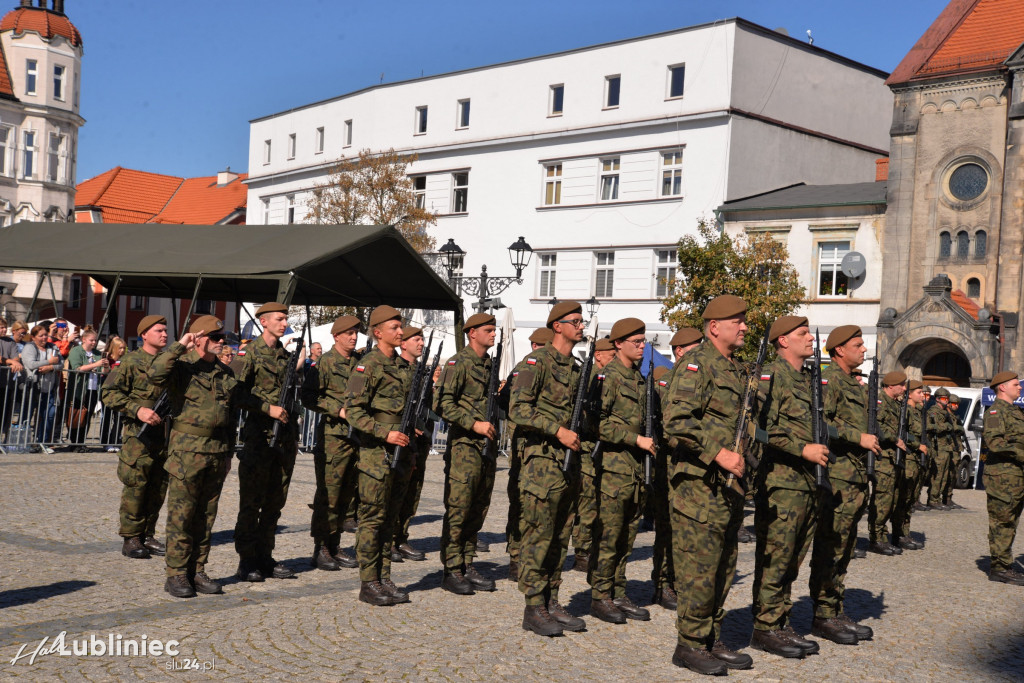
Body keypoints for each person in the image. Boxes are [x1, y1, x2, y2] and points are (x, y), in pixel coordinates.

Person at [149, 315, 288, 598]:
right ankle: (176, 574)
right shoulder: (182, 368)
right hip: (187, 452)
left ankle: (197, 570)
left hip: (215, 452)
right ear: (198, 338)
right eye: (213, 337)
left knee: (206, 517)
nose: (220, 341)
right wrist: (180, 346)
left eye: (221, 337)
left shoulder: (224, 373)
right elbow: (154, 374)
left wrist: (266, 409)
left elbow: (237, 405)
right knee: (181, 516)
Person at [662, 295, 752, 675]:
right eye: (738, 321)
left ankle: (711, 636)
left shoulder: (736, 369)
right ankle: (690, 644)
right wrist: (718, 454)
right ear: (715, 327)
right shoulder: (696, 365)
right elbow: (676, 422)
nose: (745, 326)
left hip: (728, 487)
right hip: (699, 485)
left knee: (723, 565)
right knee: (699, 567)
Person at [749, 316, 828, 658]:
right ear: (783, 341)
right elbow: (757, 429)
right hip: (781, 483)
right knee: (776, 558)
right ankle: (764, 627)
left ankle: (780, 621)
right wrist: (801, 448)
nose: (810, 339)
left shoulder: (808, 379)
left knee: (793, 559)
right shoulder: (769, 376)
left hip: (808, 483)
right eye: (802, 334)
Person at [509, 301, 587, 637]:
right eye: (575, 321)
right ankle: (533, 606)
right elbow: (517, 409)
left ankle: (552, 600)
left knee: (560, 535)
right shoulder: (536, 361)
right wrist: (557, 430)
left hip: (569, 463)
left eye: (582, 321)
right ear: (557, 325)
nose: (581, 325)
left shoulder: (576, 367)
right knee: (538, 534)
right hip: (542, 462)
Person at [808, 325, 880, 646]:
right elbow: (819, 422)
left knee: (846, 546)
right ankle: (823, 614)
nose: (863, 350)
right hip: (837, 477)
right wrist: (857, 437)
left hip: (855, 478)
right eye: (858, 345)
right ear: (839, 350)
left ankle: (835, 607)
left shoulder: (854, 383)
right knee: (831, 545)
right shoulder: (829, 380)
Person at [588, 317, 657, 624]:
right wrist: (635, 438)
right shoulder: (608, 377)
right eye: (636, 342)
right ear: (618, 344)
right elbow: (597, 424)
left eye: (644, 341)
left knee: (627, 535)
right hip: (614, 469)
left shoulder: (640, 378)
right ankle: (600, 595)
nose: (642, 346)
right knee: (609, 534)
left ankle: (618, 590)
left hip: (636, 471)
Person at [344, 305, 413, 606]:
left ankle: (384, 577)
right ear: (378, 332)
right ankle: (368, 582)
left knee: (390, 518)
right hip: (376, 454)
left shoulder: (403, 366)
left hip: (402, 452)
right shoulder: (367, 365)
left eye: (401, 327)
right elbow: (353, 411)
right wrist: (383, 433)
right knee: (371, 519)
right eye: (395, 327)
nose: (401, 332)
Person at [234, 302, 303, 582]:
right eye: (279, 318)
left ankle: (265, 556)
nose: (284, 322)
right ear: (263, 321)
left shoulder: (286, 357)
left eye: (286, 318)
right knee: (252, 503)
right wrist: (266, 408)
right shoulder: (248, 353)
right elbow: (235, 393)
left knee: (274, 504)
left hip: (284, 442)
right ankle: (246, 560)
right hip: (259, 439)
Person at [435, 313, 499, 594]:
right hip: (464, 446)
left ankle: (467, 561)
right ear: (472, 333)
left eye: (494, 329)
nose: (493, 334)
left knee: (478, 507)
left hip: (487, 447)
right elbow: (442, 403)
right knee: (459, 508)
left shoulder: (488, 364)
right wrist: (473, 424)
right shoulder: (458, 362)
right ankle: (451, 568)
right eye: (488, 330)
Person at [101, 316, 171, 559]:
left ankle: (148, 534)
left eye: (165, 330)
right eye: (159, 331)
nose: (164, 334)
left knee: (158, 487)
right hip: (138, 438)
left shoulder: (170, 363)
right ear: (144, 335)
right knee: (136, 486)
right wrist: (137, 410)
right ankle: (131, 537)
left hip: (164, 436)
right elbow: (108, 393)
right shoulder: (130, 362)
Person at [302, 315, 361, 571]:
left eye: (356, 332)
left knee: (347, 495)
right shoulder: (324, 363)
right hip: (332, 438)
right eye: (348, 333)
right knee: (329, 495)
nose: (354, 336)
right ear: (336, 336)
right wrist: (337, 410)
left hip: (355, 437)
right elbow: (309, 397)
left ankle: (335, 544)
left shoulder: (359, 363)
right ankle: (321, 547)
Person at [650, 327, 702, 610]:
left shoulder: (699, 379)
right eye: (695, 348)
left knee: (686, 530)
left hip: (689, 466)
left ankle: (678, 581)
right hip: (667, 464)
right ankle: (662, 583)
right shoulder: (666, 382)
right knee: (667, 528)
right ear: (680, 351)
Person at [500, 327, 553, 582]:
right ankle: (515, 555)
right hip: (522, 446)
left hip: (541, 449)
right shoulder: (524, 369)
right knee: (520, 502)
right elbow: (505, 403)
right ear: (533, 346)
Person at [569, 336, 614, 575]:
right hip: (587, 447)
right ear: (599, 355)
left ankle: (591, 547)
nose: (614, 359)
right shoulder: (588, 378)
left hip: (602, 447)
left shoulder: (611, 377)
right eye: (611, 355)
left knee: (596, 501)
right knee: (587, 502)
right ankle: (581, 552)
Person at [392, 326, 434, 562]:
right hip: (402, 438)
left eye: (421, 339)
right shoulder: (396, 369)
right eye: (416, 339)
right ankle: (389, 540)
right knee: (396, 492)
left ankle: (401, 537)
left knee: (412, 492)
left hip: (421, 441)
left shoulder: (421, 371)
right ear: (403, 344)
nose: (420, 343)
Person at [981, 371, 1024, 586]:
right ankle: (999, 567)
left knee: (1011, 521)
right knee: (1002, 521)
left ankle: (1004, 563)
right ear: (1003, 387)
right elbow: (995, 442)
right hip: (1002, 477)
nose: (1020, 387)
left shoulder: (1015, 411)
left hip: (1016, 476)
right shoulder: (996, 411)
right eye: (1016, 384)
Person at [867, 371, 908, 556]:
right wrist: (894, 439)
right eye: (901, 385)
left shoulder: (895, 403)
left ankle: (883, 536)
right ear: (891, 386)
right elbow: (876, 427)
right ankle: (876, 538)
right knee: (882, 500)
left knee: (890, 500)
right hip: (882, 459)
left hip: (892, 459)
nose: (904, 388)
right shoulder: (880, 402)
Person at [892, 380, 927, 551]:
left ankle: (904, 532)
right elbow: (903, 433)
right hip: (908, 459)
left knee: (910, 499)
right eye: (919, 392)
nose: (922, 395)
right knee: (903, 498)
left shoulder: (918, 412)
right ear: (910, 394)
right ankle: (898, 533)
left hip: (917, 460)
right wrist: (916, 445)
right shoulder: (905, 411)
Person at [20, 324, 62, 453]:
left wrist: (51, 367)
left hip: (49, 387)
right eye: (41, 336)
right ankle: (22, 442)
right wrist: (49, 362)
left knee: (49, 414)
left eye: (45, 335)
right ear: (33, 337)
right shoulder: (29, 347)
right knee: (27, 414)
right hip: (33, 386)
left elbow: (60, 363)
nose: (44, 338)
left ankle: (42, 442)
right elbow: (31, 364)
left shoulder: (52, 347)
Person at [67, 327, 109, 445]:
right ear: (84, 339)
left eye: (95, 340)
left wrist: (105, 366)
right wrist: (95, 364)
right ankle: (74, 441)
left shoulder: (97, 353)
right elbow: (77, 368)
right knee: (77, 416)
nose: (94, 342)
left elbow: (104, 372)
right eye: (91, 340)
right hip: (80, 389)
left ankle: (81, 441)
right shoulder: (76, 351)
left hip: (93, 389)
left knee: (87, 416)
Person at [925, 388, 958, 511]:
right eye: (944, 399)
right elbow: (929, 427)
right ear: (938, 399)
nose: (946, 401)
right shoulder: (933, 412)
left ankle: (937, 499)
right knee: (937, 475)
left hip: (946, 446)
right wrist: (946, 426)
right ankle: (933, 499)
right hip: (938, 446)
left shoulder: (945, 413)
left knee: (944, 475)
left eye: (947, 399)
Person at [99, 336, 128, 452]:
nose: (122, 350)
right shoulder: (108, 359)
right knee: (106, 417)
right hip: (107, 390)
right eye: (120, 348)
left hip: (120, 392)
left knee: (119, 418)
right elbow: (106, 375)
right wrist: (108, 367)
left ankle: (115, 441)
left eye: (124, 348)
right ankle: (105, 442)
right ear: (115, 348)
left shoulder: (124, 359)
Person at [0, 318, 25, 442]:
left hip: (8, 382)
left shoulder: (10, 342)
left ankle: (4, 439)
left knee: (6, 411)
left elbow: (16, 358)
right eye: (1, 327)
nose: (4, 329)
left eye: (5, 327)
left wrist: (13, 362)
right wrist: (10, 362)